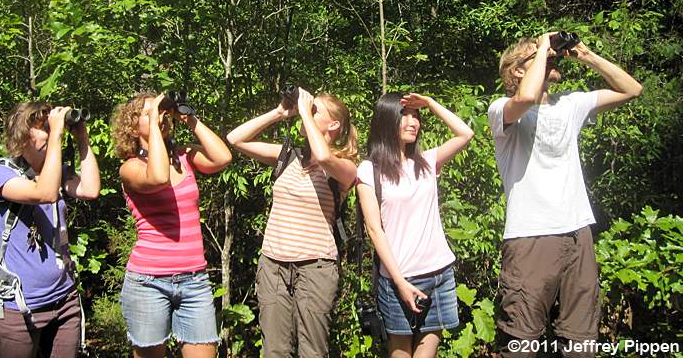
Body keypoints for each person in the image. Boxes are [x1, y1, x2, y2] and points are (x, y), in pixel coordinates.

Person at [488, 33, 642, 357]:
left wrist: (586, 55)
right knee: (520, 342)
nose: (551, 59)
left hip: (577, 234)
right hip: (531, 237)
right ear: (518, 71)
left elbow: (632, 89)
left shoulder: (571, 104)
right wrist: (543, 45)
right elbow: (526, 97)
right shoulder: (501, 110)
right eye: (539, 57)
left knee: (580, 340)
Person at [226, 88, 358, 358]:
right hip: (273, 265)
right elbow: (235, 138)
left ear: (334, 125)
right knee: (274, 350)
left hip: (315, 267)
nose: (305, 112)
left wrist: (305, 113)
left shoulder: (344, 166)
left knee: (312, 351)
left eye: (315, 111)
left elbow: (324, 157)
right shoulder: (288, 156)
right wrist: (279, 113)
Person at [112, 92, 232, 358]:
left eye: (163, 113)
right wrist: (156, 124)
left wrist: (188, 118)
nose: (160, 117)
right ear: (133, 126)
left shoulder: (184, 157)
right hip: (148, 282)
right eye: (149, 113)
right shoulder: (130, 168)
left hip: (194, 280)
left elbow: (222, 158)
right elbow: (157, 177)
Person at [357, 92, 474, 358]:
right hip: (399, 279)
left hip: (440, 274)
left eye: (416, 116)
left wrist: (430, 104)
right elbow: (374, 230)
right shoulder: (368, 170)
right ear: (387, 121)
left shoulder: (427, 162)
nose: (413, 122)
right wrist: (399, 282)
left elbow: (465, 134)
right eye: (405, 116)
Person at [0, 101, 101, 358]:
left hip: (65, 301)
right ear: (21, 136)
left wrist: (82, 139)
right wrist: (57, 133)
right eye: (42, 127)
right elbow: (44, 193)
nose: (50, 132)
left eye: (50, 126)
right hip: (18, 308)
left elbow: (90, 189)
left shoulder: (56, 173)